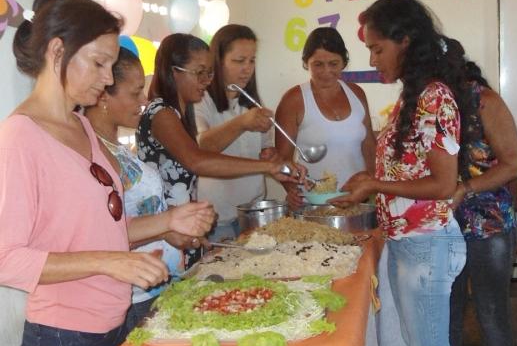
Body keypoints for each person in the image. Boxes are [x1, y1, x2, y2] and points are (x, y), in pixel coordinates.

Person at [0, 0, 214, 346]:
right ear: (56, 52)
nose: (105, 78)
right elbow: (7, 258)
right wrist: (106, 262)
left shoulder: (80, 130)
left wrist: (168, 223)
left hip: (110, 324)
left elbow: (102, 228)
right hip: (63, 344)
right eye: (97, 63)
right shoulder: (21, 138)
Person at [335, 0, 473, 346]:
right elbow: (406, 171)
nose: (372, 60)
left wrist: (377, 186)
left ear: (405, 40)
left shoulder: (436, 97)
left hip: (427, 246)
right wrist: (372, 179)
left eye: (376, 49)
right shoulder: (414, 96)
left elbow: (441, 184)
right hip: (407, 243)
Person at [87, 46, 214, 330]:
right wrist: (167, 227)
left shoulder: (117, 148)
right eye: (134, 93)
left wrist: (175, 230)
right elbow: (103, 234)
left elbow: (138, 213)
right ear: (104, 94)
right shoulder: (94, 154)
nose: (143, 100)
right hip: (134, 296)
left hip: (158, 286)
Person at [136, 33, 302, 239]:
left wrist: (274, 163)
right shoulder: (161, 112)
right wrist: (268, 167)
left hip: (183, 228)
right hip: (163, 232)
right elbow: (197, 160)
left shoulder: (180, 112)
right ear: (174, 72)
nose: (206, 81)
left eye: (209, 73)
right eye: (199, 73)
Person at [446, 40, 517, 346]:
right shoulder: (430, 104)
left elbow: (515, 162)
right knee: (448, 313)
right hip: (444, 226)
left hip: (488, 225)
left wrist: (468, 187)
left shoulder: (485, 100)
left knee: (491, 314)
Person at [274, 27, 376, 206]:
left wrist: (374, 181)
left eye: (334, 64)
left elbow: (369, 145)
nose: (326, 71)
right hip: (314, 202)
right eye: (318, 64)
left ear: (344, 62)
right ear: (307, 63)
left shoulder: (357, 93)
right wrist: (291, 190)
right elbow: (282, 159)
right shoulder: (294, 99)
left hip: (357, 200)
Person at [194, 24, 276, 240]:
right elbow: (201, 148)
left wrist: (271, 155)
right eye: (239, 61)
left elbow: (266, 150)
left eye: (252, 60)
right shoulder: (201, 100)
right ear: (218, 62)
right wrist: (242, 123)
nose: (247, 68)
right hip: (216, 220)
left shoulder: (251, 103)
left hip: (254, 214)